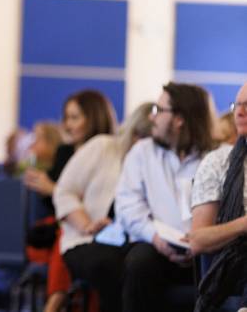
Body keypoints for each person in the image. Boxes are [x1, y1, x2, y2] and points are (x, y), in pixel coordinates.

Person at [115, 82, 216, 312]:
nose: (152, 118)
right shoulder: (142, 152)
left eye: (159, 111)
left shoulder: (214, 158)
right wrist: (157, 239)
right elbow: (127, 207)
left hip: (204, 250)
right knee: (139, 261)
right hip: (156, 247)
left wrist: (202, 242)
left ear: (179, 119)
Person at [54, 102, 154, 312]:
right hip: (86, 239)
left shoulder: (156, 162)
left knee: (140, 265)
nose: (143, 144)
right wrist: (87, 224)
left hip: (131, 241)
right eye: (139, 136)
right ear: (132, 132)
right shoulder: (103, 147)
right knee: (110, 265)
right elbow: (64, 192)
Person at [24, 90, 117, 312]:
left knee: (66, 239)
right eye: (66, 118)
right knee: (65, 234)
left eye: (75, 118)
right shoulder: (64, 151)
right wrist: (50, 192)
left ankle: (54, 302)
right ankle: (56, 301)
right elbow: (59, 204)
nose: (67, 125)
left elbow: (98, 198)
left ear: (94, 117)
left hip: (93, 225)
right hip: (64, 224)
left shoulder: (109, 152)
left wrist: (53, 189)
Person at [190, 82, 247, 310]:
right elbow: (197, 240)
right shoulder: (218, 163)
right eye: (237, 105)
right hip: (235, 265)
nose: (240, 112)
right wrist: (244, 224)